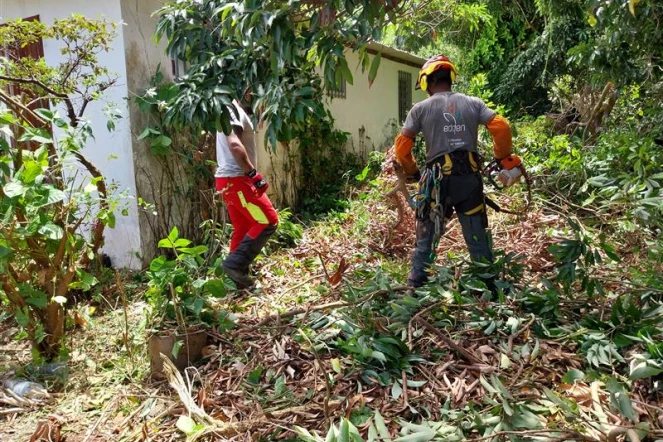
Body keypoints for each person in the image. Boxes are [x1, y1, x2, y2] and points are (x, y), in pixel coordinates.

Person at [393, 54, 515, 288]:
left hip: (437, 184)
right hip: (468, 181)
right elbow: (501, 127)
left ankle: (416, 287)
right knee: (477, 238)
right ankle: (489, 286)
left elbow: (402, 147)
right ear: (450, 77)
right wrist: (501, 157)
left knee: (426, 239)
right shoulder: (473, 103)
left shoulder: (420, 109)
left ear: (427, 81)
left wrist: (414, 172)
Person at [216, 98, 278, 289]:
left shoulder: (236, 109)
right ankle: (234, 266)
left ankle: (236, 282)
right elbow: (234, 144)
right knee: (268, 221)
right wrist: (253, 174)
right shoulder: (230, 107)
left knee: (243, 228)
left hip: (228, 180)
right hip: (237, 179)